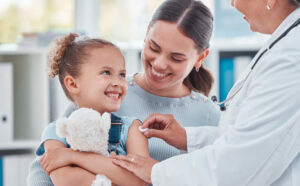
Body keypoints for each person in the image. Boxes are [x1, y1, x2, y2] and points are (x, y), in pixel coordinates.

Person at [27, 0, 221, 185]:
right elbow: (45, 168)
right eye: (154, 47)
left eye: (176, 58)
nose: (160, 64)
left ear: (200, 57)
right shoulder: (104, 95)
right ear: (146, 34)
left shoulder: (210, 117)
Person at [112, 0, 300, 185]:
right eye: (154, 47)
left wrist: (156, 173)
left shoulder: (291, 56)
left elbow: (244, 159)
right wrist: (188, 138)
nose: (233, 4)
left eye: (176, 58)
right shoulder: (109, 94)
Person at [28, 33, 149, 186]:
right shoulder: (56, 132)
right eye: (106, 72)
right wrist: (119, 177)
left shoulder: (133, 128)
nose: (118, 82)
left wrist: (73, 157)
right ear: (72, 84)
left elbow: (139, 180)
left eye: (122, 74)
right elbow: (66, 180)